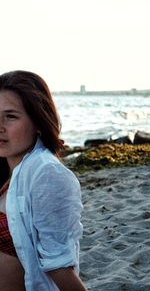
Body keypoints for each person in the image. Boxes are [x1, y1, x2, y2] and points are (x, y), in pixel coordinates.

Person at [0, 70, 88, 290]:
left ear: (38, 121)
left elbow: (58, 267)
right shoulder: (7, 167)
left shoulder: (47, 174)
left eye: (10, 116)